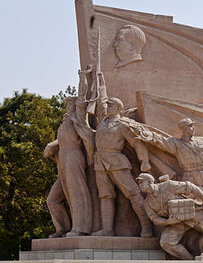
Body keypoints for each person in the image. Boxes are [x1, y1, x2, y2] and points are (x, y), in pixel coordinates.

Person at [92, 70, 153, 237]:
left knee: (133, 193)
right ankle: (107, 230)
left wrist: (144, 161)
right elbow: (101, 98)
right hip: (100, 161)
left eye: (110, 105)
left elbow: (137, 143)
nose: (107, 107)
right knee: (105, 196)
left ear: (118, 108)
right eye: (107, 105)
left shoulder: (123, 125)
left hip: (116, 160)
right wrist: (99, 79)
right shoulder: (102, 122)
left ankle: (146, 226)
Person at [45, 68, 95, 237]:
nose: (67, 106)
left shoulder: (78, 117)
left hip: (74, 157)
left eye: (69, 103)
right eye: (66, 103)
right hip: (63, 160)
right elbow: (62, 140)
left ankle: (80, 228)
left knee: (77, 192)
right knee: (52, 200)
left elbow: (82, 96)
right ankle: (62, 229)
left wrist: (83, 77)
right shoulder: (65, 122)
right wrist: (52, 145)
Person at [132, 117, 203, 187]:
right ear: (184, 129)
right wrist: (145, 134)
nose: (193, 128)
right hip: (191, 176)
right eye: (190, 126)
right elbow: (160, 140)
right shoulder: (176, 143)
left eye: (193, 126)